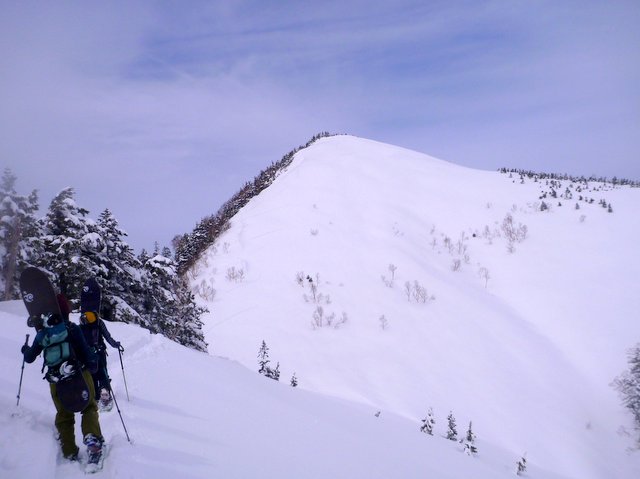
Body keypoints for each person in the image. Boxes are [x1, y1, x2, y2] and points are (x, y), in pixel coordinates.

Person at [21, 310, 105, 462]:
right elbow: (86, 352)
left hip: (56, 380)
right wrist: (94, 363)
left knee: (64, 414)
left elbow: (29, 358)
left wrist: (25, 350)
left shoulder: (42, 335)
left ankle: (69, 451)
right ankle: (93, 442)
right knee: (89, 407)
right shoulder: (72, 328)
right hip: (80, 374)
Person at [80, 310, 123, 411]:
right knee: (103, 372)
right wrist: (115, 344)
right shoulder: (99, 323)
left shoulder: (81, 325)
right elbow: (107, 336)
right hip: (100, 352)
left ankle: (95, 397)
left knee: (92, 374)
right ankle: (105, 393)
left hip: (88, 355)